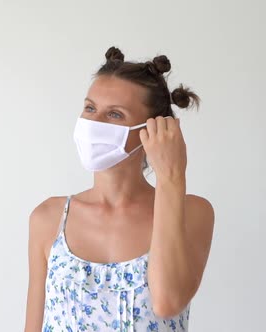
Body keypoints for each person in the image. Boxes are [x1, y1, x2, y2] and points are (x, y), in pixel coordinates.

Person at [24, 46, 215, 332]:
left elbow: (167, 303)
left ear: (153, 130)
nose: (93, 123)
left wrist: (171, 178)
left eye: (114, 114)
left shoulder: (192, 211)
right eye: (90, 108)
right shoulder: (48, 218)